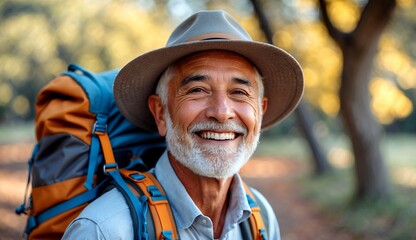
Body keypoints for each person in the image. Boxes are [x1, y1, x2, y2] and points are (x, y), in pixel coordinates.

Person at [62, 10, 303, 240]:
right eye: (197, 90)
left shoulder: (260, 218)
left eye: (239, 92)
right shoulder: (105, 230)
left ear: (260, 112)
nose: (221, 112)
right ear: (160, 113)